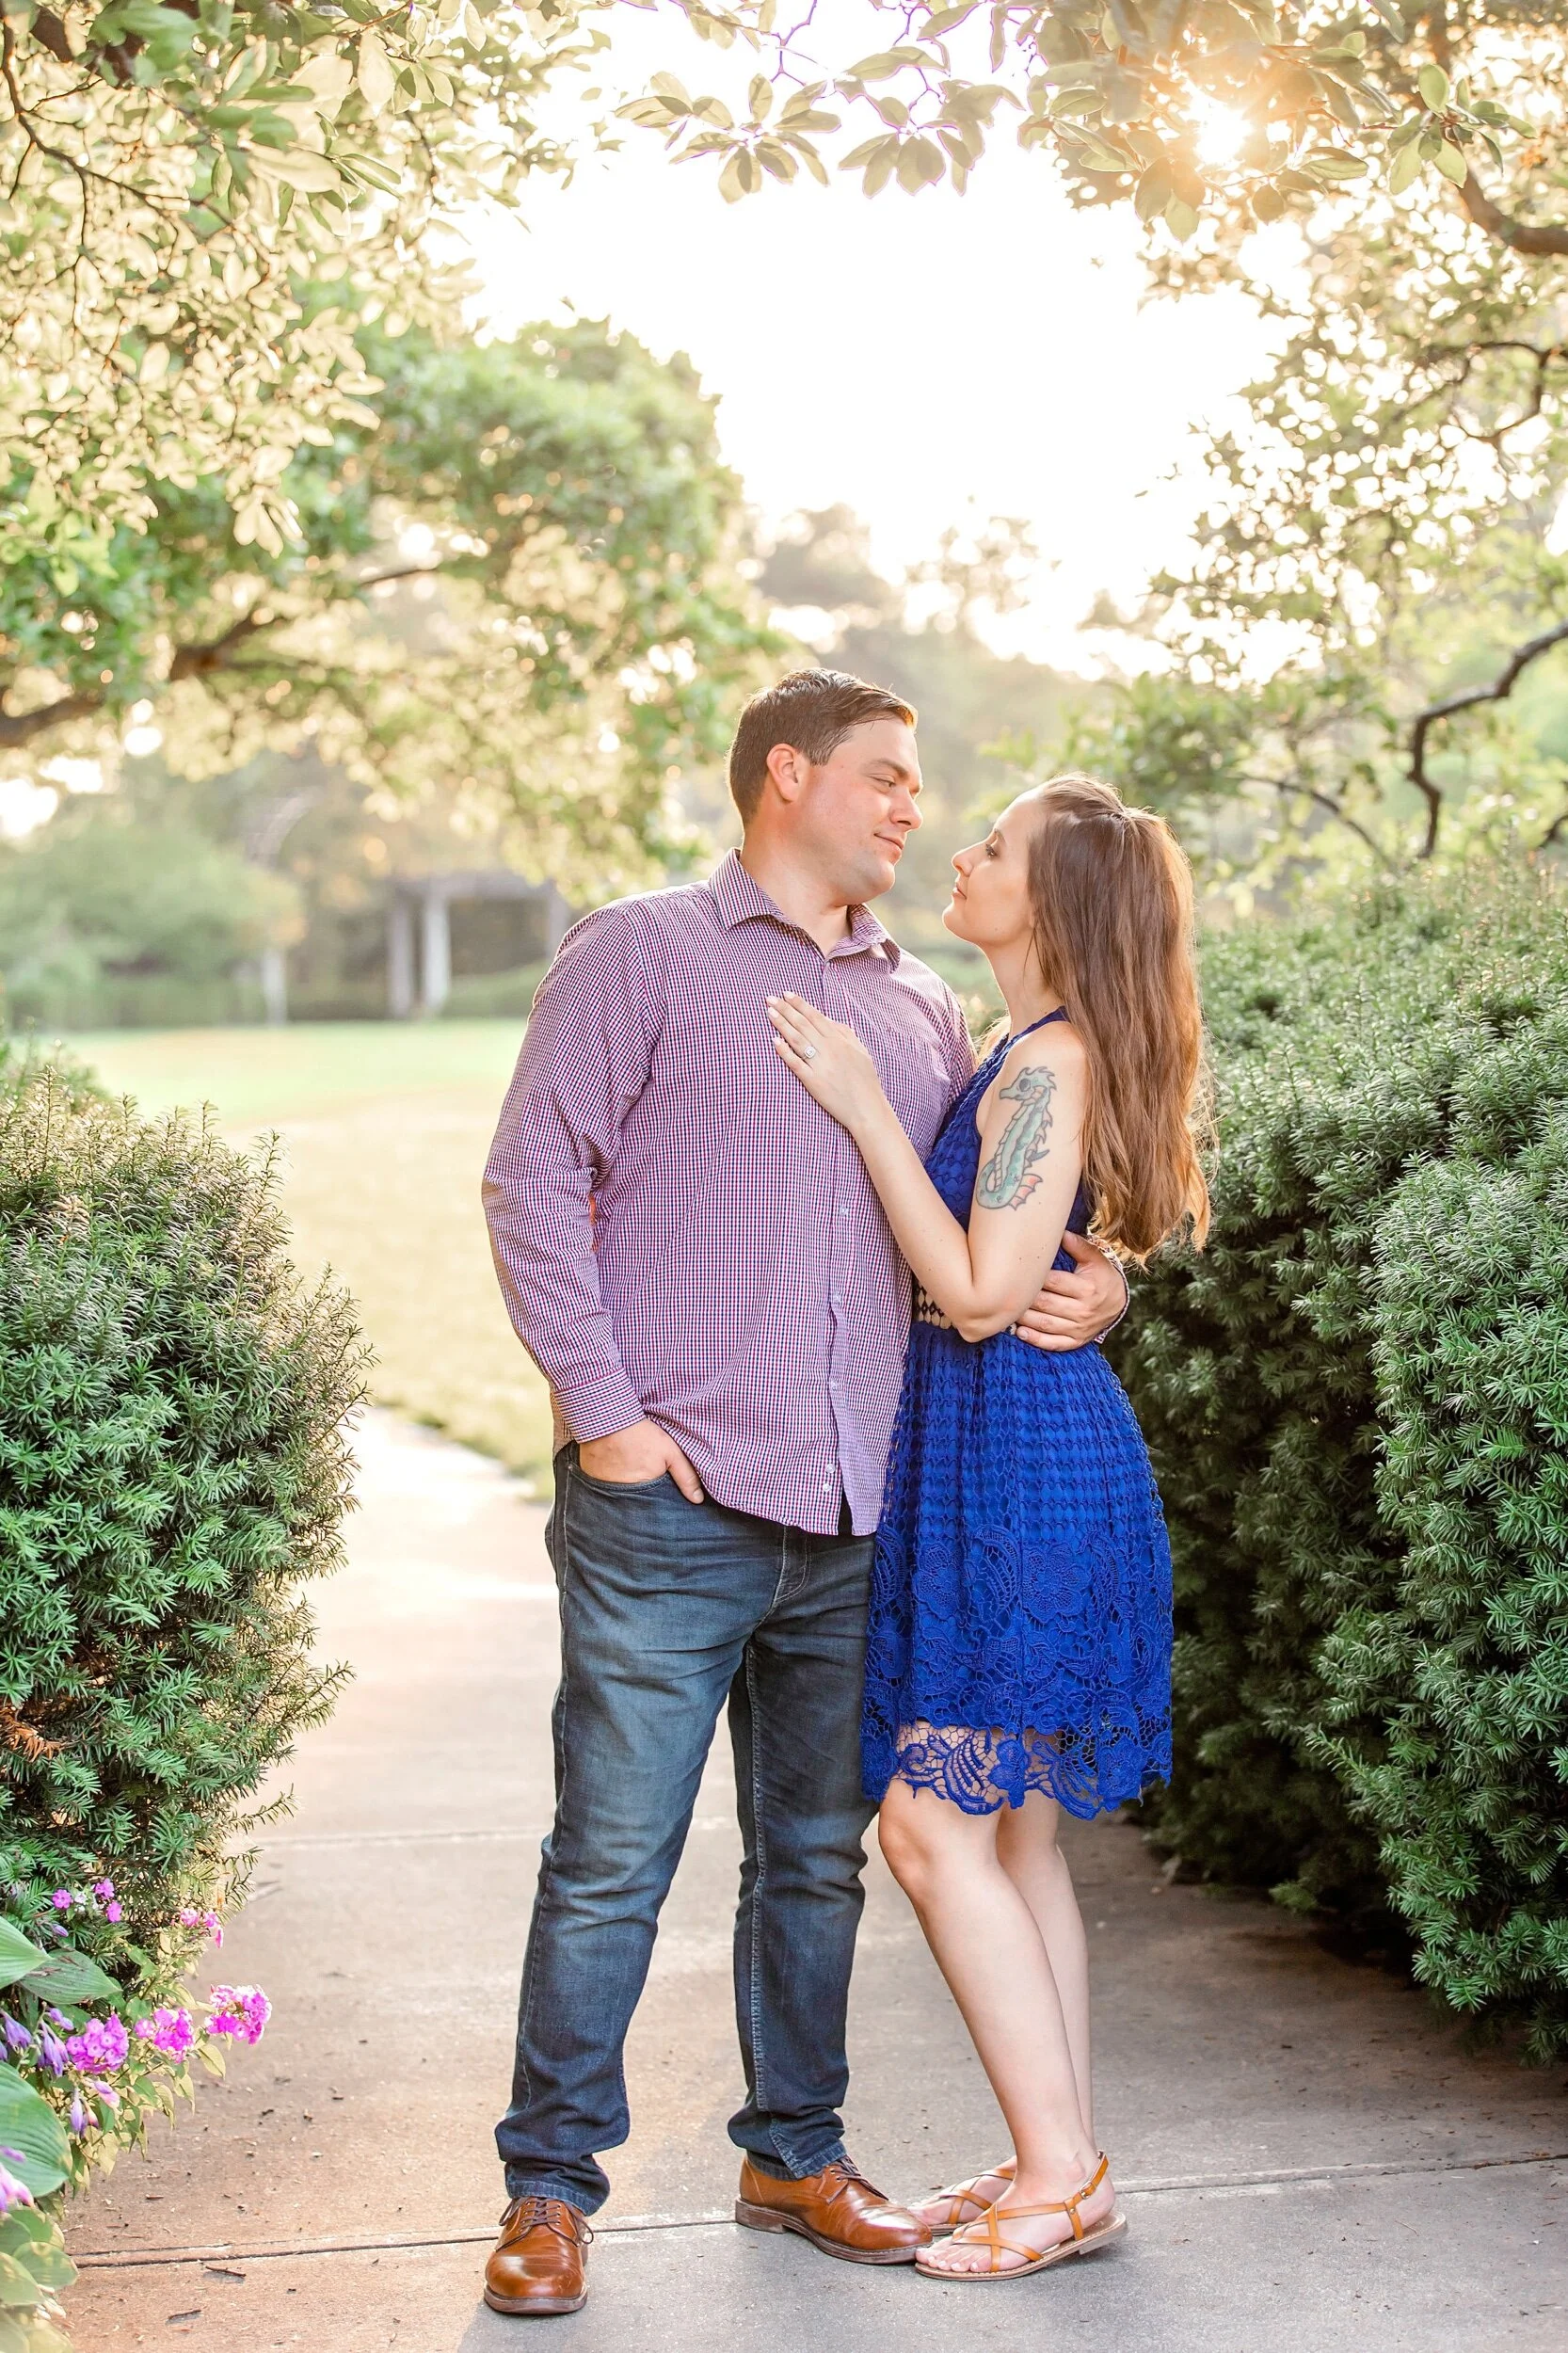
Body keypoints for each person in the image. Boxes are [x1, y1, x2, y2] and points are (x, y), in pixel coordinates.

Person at [479, 673, 1129, 2317]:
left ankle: (793, 2152)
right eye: (887, 779)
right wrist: (605, 1418)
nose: (915, 811)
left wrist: (1099, 1274)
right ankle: (550, 2192)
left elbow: (980, 1208)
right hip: (671, 1499)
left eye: (925, 791)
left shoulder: (920, 1007)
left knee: (815, 1861)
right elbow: (531, 1177)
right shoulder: (641, 950)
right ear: (788, 777)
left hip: (862, 1513)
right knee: (612, 1860)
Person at [765, 771, 1208, 2283]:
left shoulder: (1048, 1066)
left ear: (1052, 900)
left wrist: (861, 1109)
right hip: (1007, 1466)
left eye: (993, 848)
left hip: (1024, 1485)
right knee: (1012, 1839)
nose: (959, 853)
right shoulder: (1022, 1048)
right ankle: (1057, 2160)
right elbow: (1033, 1269)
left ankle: (1059, 2170)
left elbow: (973, 1291)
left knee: (926, 1823)